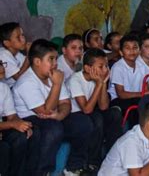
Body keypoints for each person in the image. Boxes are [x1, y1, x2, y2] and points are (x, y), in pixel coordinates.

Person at [13, 39, 93, 175]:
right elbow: (44, 111)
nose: (55, 63)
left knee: (83, 122)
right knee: (53, 129)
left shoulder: (53, 76)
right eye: (51, 59)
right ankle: (42, 172)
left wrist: (60, 115)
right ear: (37, 62)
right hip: (30, 119)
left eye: (56, 59)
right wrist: (56, 85)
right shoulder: (26, 82)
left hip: (53, 116)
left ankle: (74, 167)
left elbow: (66, 103)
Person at [67, 48, 123, 170]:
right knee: (97, 119)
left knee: (115, 113)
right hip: (75, 115)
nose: (106, 70)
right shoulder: (75, 80)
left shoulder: (99, 79)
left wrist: (102, 84)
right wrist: (99, 84)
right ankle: (93, 162)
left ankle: (113, 157)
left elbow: (103, 106)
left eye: (107, 66)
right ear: (88, 68)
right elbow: (86, 109)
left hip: (90, 111)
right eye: (101, 66)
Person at [0, 60, 40, 175]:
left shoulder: (3, 88)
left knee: (23, 136)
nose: (2, 68)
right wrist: (13, 124)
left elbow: (11, 115)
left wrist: (21, 124)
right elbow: (10, 122)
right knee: (3, 148)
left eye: (2, 64)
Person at [108, 34, 149, 124]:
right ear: (121, 52)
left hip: (136, 98)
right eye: (127, 48)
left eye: (135, 47)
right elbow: (121, 94)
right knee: (138, 104)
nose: (132, 51)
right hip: (117, 101)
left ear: (139, 50)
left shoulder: (142, 67)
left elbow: (145, 89)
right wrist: (142, 94)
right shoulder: (118, 67)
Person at [0, 22, 31, 87]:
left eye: (22, 35)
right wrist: (29, 55)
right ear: (7, 43)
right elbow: (18, 77)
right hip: (9, 90)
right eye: (18, 38)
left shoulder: (17, 54)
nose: (23, 40)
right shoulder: (3, 55)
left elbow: (30, 65)